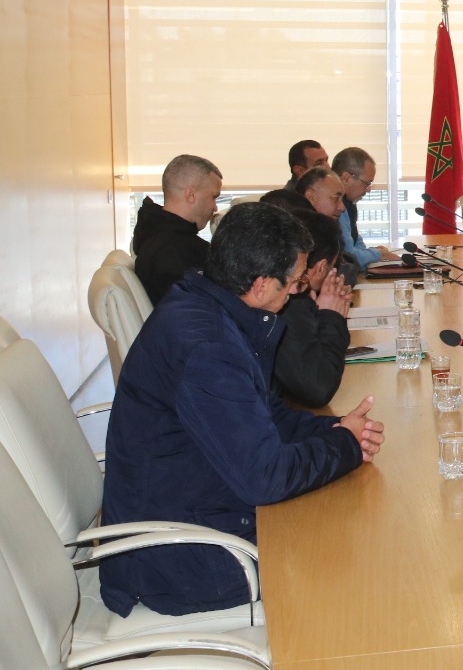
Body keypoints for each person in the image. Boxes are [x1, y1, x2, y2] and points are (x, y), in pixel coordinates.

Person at [100, 202, 384, 616]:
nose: (297, 293)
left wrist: (333, 430)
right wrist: (345, 446)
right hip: (179, 557)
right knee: (356, 560)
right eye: (293, 283)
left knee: (345, 521)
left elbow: (263, 413)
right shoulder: (210, 348)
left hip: (195, 504)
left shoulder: (207, 306)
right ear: (262, 285)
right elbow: (264, 478)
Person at [265, 205, 351, 408]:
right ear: (321, 267)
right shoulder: (290, 301)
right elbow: (318, 389)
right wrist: (331, 317)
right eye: (332, 266)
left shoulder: (280, 289)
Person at [132, 154, 223, 304]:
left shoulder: (165, 237)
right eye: (213, 197)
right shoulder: (168, 251)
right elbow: (194, 309)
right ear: (191, 194)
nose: (215, 207)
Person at [332, 145, 398, 268]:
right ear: (346, 178)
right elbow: (349, 256)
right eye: (366, 183)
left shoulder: (349, 202)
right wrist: (378, 254)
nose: (368, 189)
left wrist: (372, 254)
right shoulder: (334, 207)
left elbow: (357, 243)